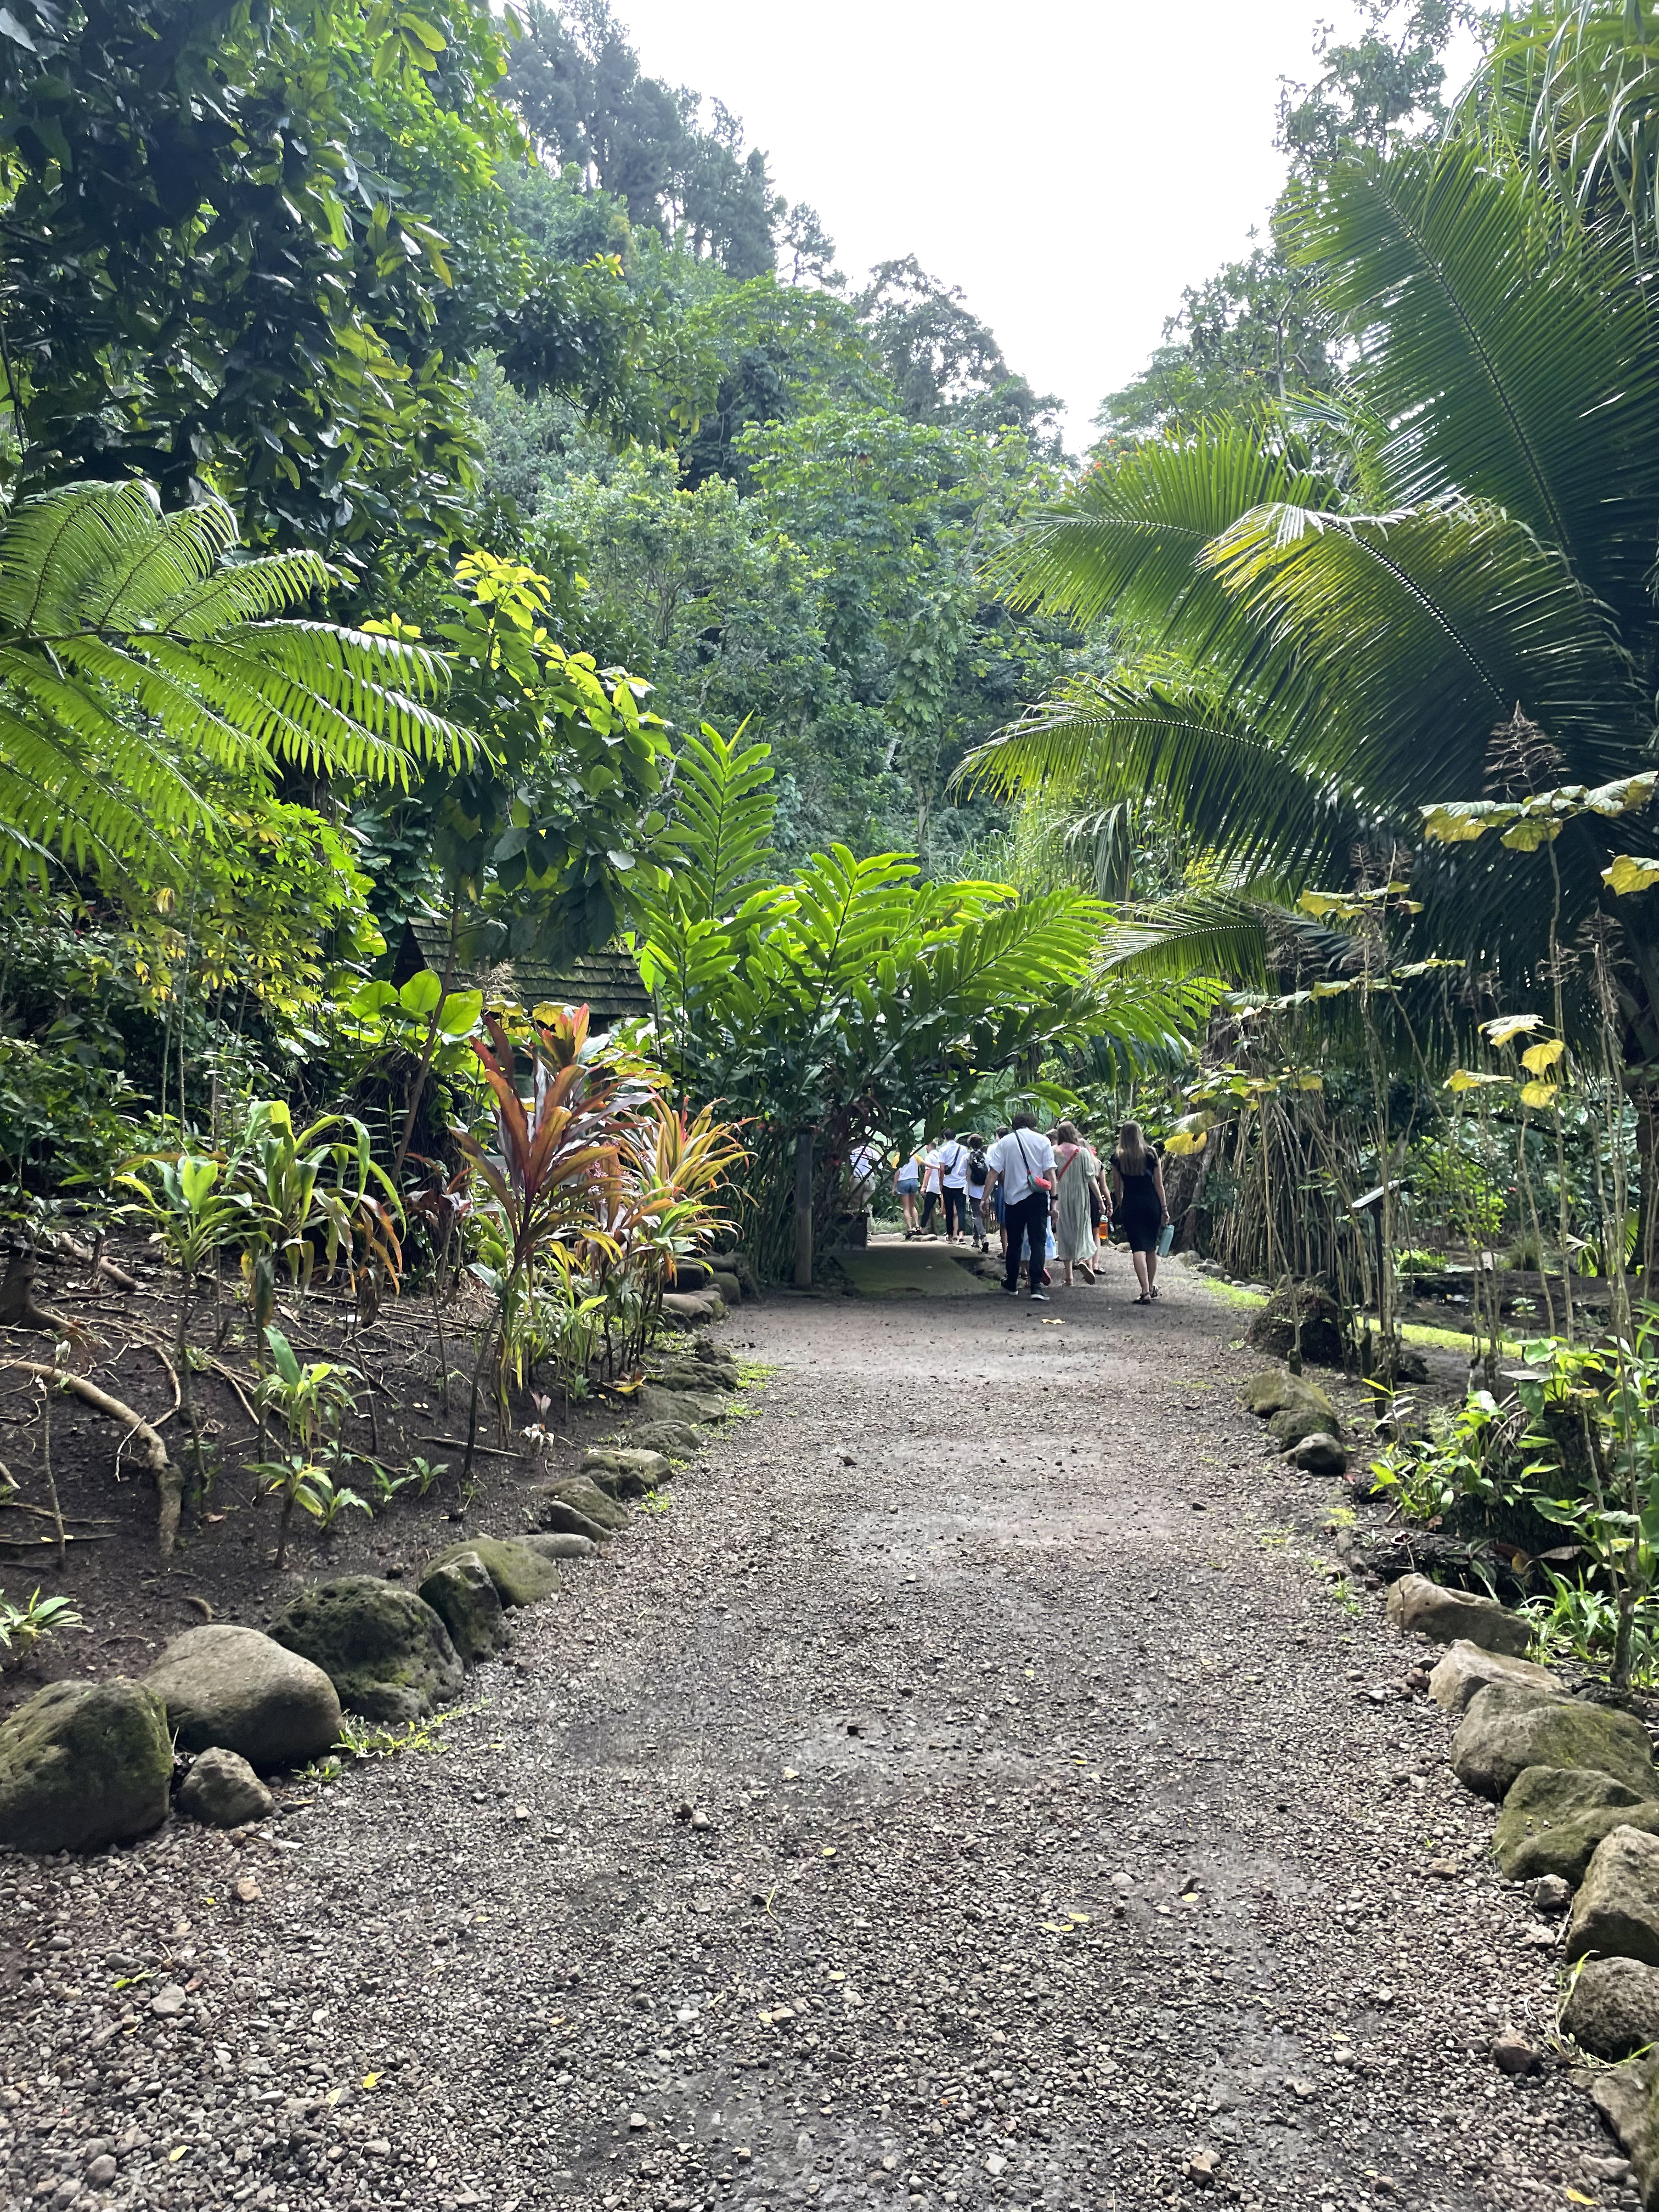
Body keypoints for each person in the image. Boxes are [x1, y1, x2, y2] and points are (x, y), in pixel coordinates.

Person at [983, 1111, 1057, 1301]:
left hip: (1013, 1199)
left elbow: (993, 1172)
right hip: (1037, 1198)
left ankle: (1012, 1282)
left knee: (1014, 1242)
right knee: (1037, 1241)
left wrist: (985, 1198)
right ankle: (1037, 1287)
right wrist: (1054, 1201)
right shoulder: (1043, 1141)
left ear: (1015, 1124)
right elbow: (1050, 1174)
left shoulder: (1005, 1143)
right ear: (1033, 1124)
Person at [1111, 1119, 1170, 1304]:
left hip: (1131, 1204)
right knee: (1151, 1248)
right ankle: (1151, 1287)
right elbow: (1159, 1185)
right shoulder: (1151, 1154)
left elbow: (1118, 1188)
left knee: (1137, 1248)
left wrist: (1122, 1203)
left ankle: (1145, 1291)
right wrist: (1164, 1209)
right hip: (1151, 1204)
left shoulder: (1118, 1158)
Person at [1052, 1120, 1108, 1287]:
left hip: (1062, 1195)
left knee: (1065, 1232)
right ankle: (1083, 1260)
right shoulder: (1083, 1153)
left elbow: (1051, 1176)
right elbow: (1091, 1179)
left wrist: (1051, 1199)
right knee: (1082, 1229)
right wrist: (1100, 1201)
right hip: (1080, 1196)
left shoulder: (1054, 1152)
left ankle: (1069, 1278)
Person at [936, 1129, 970, 1243]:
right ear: (955, 1136)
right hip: (961, 1184)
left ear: (945, 1137)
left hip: (948, 1184)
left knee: (949, 1210)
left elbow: (941, 1169)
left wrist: (941, 1183)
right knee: (961, 1209)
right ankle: (961, 1234)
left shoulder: (943, 1150)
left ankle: (950, 1236)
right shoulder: (963, 1149)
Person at [964, 1133, 991, 1250]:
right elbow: (990, 1174)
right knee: (980, 1215)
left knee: (976, 1215)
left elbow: (961, 1173)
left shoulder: (967, 1157)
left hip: (973, 1189)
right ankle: (976, 1240)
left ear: (969, 1144)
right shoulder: (986, 1157)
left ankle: (984, 1238)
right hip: (985, 1190)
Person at [894, 1146, 922, 1238]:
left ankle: (910, 1229)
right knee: (912, 1206)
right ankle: (918, 1226)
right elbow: (920, 1163)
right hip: (914, 1181)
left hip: (904, 1182)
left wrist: (894, 1187)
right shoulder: (914, 1155)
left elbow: (897, 1172)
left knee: (906, 1208)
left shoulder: (898, 1157)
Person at [918, 1140, 944, 1234]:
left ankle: (922, 1228)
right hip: (943, 1185)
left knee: (927, 1208)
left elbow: (928, 1172)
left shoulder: (929, 1157)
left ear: (928, 1146)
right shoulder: (940, 1155)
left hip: (933, 1186)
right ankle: (952, 1230)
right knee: (945, 1208)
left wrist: (923, 1186)